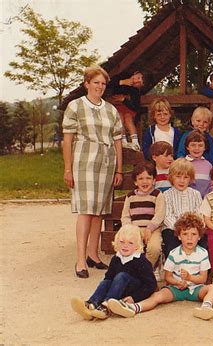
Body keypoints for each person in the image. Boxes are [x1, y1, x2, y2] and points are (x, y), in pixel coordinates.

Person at [63, 65, 123, 279]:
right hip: (84, 163)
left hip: (106, 164)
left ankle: (93, 254)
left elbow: (117, 140)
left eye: (103, 83)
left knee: (99, 210)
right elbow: (67, 140)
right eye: (96, 82)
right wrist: (68, 168)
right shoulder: (75, 106)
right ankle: (80, 260)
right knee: (86, 210)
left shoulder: (111, 110)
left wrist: (119, 169)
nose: (100, 86)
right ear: (86, 83)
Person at [108, 213, 213, 321]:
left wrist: (190, 278)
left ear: (199, 236)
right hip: (176, 289)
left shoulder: (203, 253)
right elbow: (168, 277)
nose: (189, 238)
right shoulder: (174, 253)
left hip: (196, 289)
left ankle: (206, 307)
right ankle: (133, 307)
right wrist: (177, 283)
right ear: (179, 236)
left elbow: (203, 279)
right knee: (157, 295)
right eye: (185, 234)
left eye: (193, 234)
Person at [71, 224, 156, 320]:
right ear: (116, 242)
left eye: (130, 243)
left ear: (137, 246)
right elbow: (109, 278)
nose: (125, 246)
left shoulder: (141, 261)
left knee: (121, 276)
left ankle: (106, 307)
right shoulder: (116, 259)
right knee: (106, 282)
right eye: (122, 242)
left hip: (133, 291)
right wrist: (105, 287)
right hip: (117, 290)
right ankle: (91, 304)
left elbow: (151, 285)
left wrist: (134, 297)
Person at [120, 162, 165, 269]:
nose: (145, 182)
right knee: (131, 246)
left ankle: (148, 269)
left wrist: (150, 228)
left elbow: (160, 214)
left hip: (153, 229)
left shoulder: (157, 194)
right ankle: (132, 269)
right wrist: (130, 229)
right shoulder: (130, 196)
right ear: (135, 182)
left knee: (154, 248)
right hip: (134, 229)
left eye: (148, 178)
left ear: (154, 180)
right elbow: (125, 216)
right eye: (140, 179)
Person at [161, 158, 203, 258]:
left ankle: (196, 268)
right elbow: (167, 216)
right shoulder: (167, 194)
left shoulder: (196, 194)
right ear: (171, 178)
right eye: (178, 177)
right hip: (173, 229)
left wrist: (191, 229)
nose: (182, 181)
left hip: (193, 229)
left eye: (186, 177)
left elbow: (199, 213)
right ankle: (174, 268)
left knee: (203, 242)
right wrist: (180, 230)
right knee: (171, 244)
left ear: (191, 179)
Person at [108, 71, 144, 151]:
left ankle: (135, 142)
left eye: (140, 81)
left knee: (128, 119)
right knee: (119, 117)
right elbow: (108, 83)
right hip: (118, 108)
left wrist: (124, 100)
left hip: (129, 109)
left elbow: (135, 107)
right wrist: (122, 82)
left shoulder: (135, 91)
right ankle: (123, 141)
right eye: (138, 78)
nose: (138, 81)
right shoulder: (120, 79)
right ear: (133, 74)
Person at [184, 130, 212, 198]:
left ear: (205, 148)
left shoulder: (208, 165)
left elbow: (211, 186)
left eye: (200, 145)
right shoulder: (183, 164)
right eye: (193, 145)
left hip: (205, 202)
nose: (197, 148)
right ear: (187, 147)